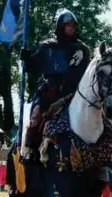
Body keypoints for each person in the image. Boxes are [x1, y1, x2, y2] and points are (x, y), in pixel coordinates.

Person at [20, 9, 91, 157]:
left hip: (74, 93)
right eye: (68, 25)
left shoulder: (82, 49)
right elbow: (33, 67)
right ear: (61, 26)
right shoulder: (47, 46)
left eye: (73, 25)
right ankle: (29, 152)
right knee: (36, 116)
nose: (71, 28)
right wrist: (27, 59)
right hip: (51, 91)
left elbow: (88, 72)